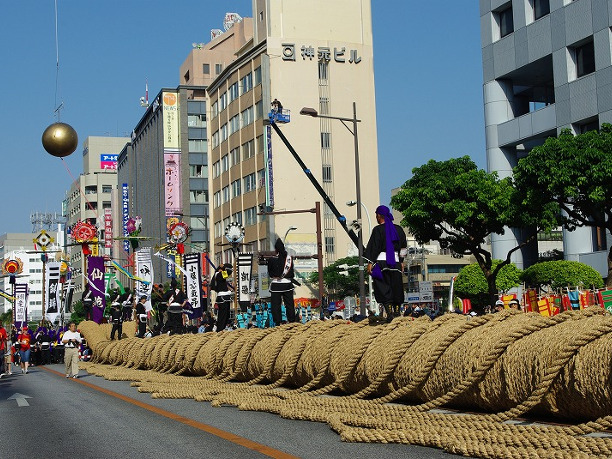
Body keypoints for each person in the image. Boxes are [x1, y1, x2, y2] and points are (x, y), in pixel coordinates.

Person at [364, 205, 408, 323]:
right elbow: (403, 248)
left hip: (381, 264)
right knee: (396, 287)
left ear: (379, 216)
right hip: (396, 263)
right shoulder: (399, 229)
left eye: (376, 216)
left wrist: (370, 263)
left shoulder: (378, 230)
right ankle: (397, 312)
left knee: (383, 287)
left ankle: (389, 313)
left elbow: (374, 248)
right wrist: (402, 262)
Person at [268, 238, 297, 325]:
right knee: (289, 304)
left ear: (276, 249)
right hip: (287, 284)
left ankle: (278, 322)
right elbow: (291, 273)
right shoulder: (289, 258)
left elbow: (270, 273)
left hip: (276, 284)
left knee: (276, 305)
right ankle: (291, 320)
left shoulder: (272, 259)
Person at [210, 264, 233, 332]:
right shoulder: (219, 275)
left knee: (226, 315)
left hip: (223, 297)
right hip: (223, 297)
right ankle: (220, 329)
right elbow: (229, 272)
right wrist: (223, 267)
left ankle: (221, 327)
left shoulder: (217, 276)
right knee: (223, 315)